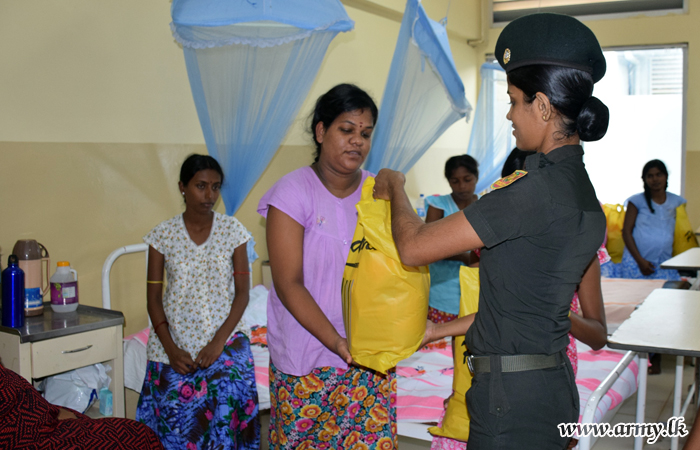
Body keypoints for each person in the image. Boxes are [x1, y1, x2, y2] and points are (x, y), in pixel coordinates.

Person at [374, 13, 610, 449]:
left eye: (514, 100)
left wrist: (396, 185)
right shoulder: (582, 190)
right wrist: (435, 331)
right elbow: (521, 306)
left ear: (543, 106)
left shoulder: (529, 193)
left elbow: (413, 247)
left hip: (510, 398)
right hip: (551, 384)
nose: (509, 114)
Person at [258, 84, 397, 450]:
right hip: (306, 359)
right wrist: (336, 341)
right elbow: (288, 283)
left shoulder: (378, 193)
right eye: (346, 129)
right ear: (321, 132)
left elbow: (396, 270)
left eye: (365, 134)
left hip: (368, 357)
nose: (357, 141)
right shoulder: (292, 193)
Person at [136, 154, 259, 450]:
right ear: (182, 187)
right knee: (173, 401)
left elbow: (242, 293)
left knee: (228, 383)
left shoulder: (233, 232)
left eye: (215, 187)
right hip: (174, 337)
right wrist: (171, 349)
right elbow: (153, 299)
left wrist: (218, 343)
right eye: (201, 186)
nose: (209, 195)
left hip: (225, 334)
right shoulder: (162, 236)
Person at [0, 361, 164, 449]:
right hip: (34, 433)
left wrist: (52, 412)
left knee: (137, 434)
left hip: (43, 419)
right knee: (138, 438)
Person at [601, 159, 686, 280]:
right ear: (644, 179)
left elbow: (682, 232)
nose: (655, 179)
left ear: (666, 176)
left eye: (659, 174)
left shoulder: (677, 202)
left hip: (665, 263)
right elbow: (626, 232)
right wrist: (640, 261)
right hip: (637, 263)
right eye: (650, 176)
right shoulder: (636, 201)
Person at [425, 155, 480, 324]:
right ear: (448, 182)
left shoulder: (483, 204)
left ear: (476, 177)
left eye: (467, 179)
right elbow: (428, 247)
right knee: (441, 338)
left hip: (475, 288)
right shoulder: (439, 205)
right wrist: (464, 256)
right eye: (455, 181)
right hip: (443, 291)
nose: (462, 186)